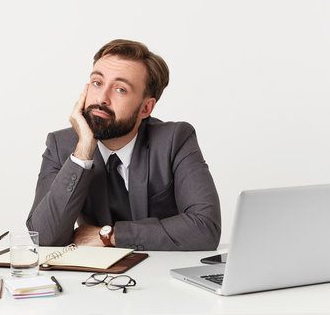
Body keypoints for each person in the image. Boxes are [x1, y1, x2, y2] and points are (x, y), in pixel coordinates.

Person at [26, 39, 221, 251]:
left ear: (146, 108)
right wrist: (83, 153)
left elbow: (205, 228)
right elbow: (43, 237)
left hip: (163, 274)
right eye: (97, 83)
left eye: (120, 89)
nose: (102, 98)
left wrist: (110, 236)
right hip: (93, 279)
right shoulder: (62, 146)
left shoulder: (175, 140)